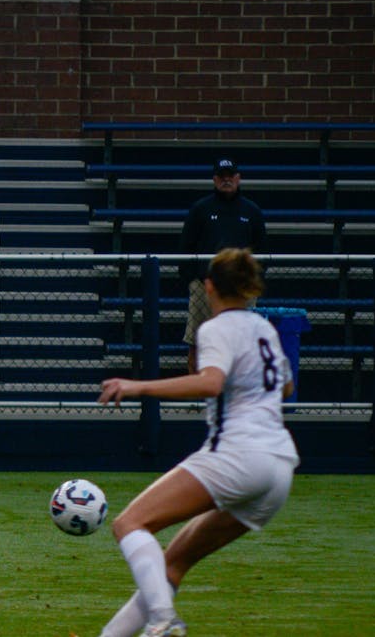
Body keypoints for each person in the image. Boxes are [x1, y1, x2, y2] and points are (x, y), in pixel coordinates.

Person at [95, 248, 299, 637]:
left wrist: (138, 386)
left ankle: (164, 620)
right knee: (170, 565)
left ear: (209, 286)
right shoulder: (265, 329)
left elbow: (210, 382)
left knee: (130, 524)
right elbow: (287, 386)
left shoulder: (217, 327)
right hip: (279, 468)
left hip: (240, 454)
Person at [179, 158, 266, 366]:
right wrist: (194, 282)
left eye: (231, 176)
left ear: (238, 178)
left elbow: (262, 250)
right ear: (215, 179)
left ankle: (235, 393)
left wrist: (252, 285)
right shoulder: (200, 209)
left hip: (241, 290)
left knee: (243, 344)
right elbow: (185, 247)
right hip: (205, 288)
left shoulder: (252, 211)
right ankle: (197, 395)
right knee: (197, 342)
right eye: (222, 176)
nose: (226, 180)